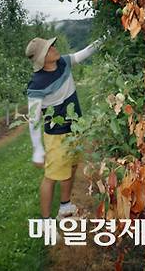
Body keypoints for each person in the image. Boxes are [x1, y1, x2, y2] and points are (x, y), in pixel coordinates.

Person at [25, 36, 102, 220]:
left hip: (75, 128)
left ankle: (65, 208)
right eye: (49, 48)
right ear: (43, 58)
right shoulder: (37, 84)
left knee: (72, 167)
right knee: (51, 177)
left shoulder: (63, 63)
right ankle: (46, 222)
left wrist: (102, 39)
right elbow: (34, 119)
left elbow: (83, 53)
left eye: (52, 45)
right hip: (57, 135)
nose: (54, 48)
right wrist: (37, 149)